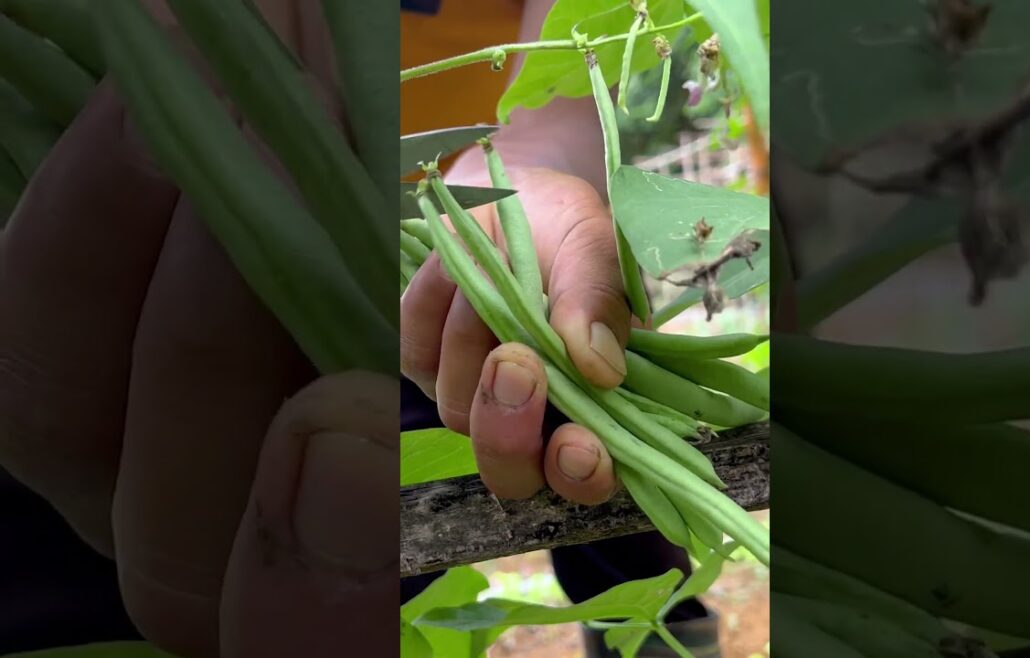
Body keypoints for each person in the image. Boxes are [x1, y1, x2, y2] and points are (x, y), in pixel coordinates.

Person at [0, 1, 719, 656]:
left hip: (477, 254)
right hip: (172, 273)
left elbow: (556, 80)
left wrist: (532, 174)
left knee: (602, 486)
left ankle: (662, 633)